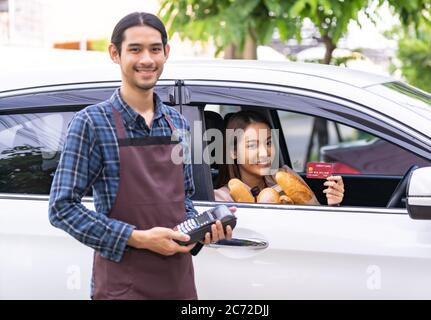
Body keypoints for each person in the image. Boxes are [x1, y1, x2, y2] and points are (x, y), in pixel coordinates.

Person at [48, 12, 233, 300]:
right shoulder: (92, 123)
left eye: (155, 49)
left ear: (166, 53)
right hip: (123, 287)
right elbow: (61, 208)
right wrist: (138, 238)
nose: (147, 59)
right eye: (135, 49)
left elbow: (183, 200)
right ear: (115, 53)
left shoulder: (178, 124)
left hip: (178, 285)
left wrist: (201, 232)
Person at [214, 110, 344, 205]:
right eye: (252, 145)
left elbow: (316, 219)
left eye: (269, 143)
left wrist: (333, 204)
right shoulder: (222, 198)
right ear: (234, 152)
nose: (265, 153)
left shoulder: (285, 177)